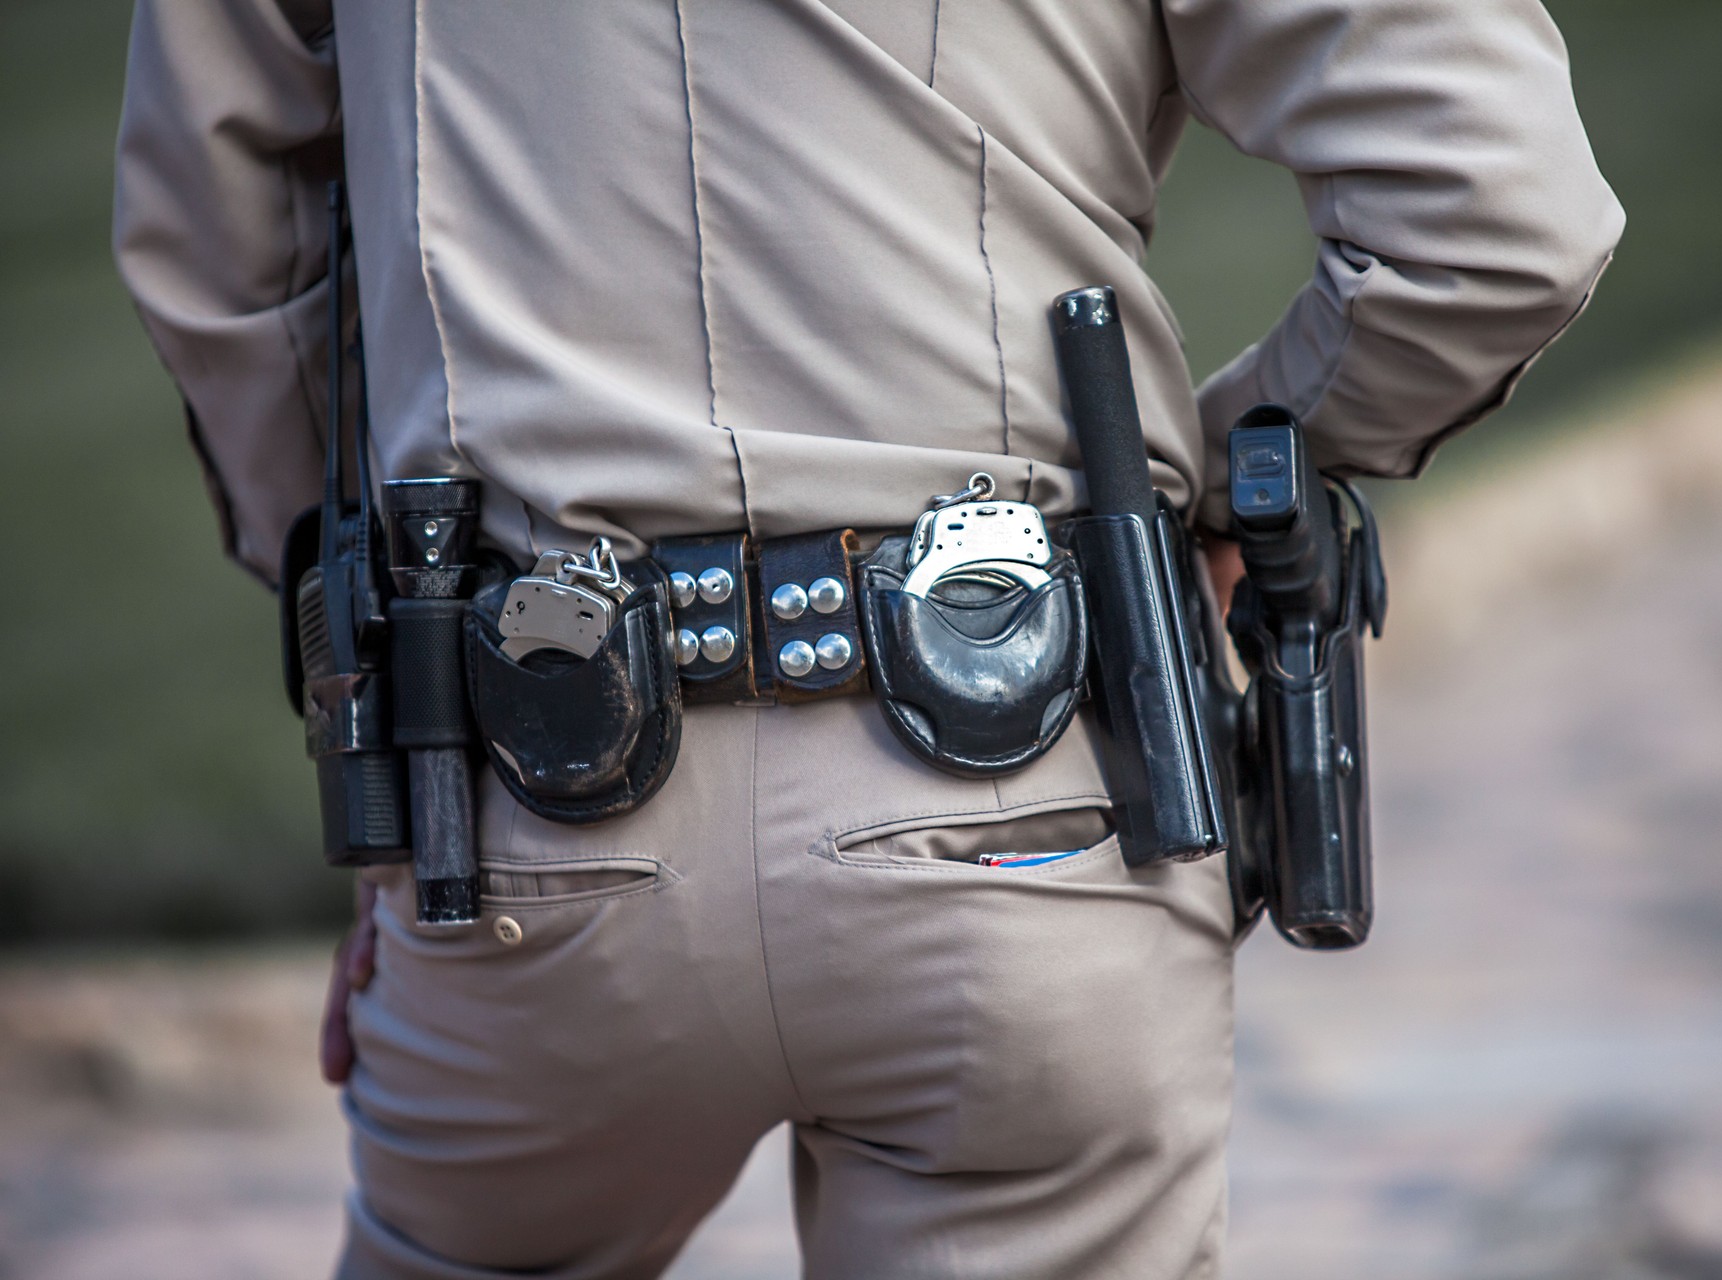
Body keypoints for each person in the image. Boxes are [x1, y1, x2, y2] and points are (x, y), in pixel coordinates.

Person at [114, 1, 1622, 1275]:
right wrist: (1215, 492)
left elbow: (225, 255)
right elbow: (1496, 218)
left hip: (524, 821)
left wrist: (391, 721)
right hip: (1029, 797)